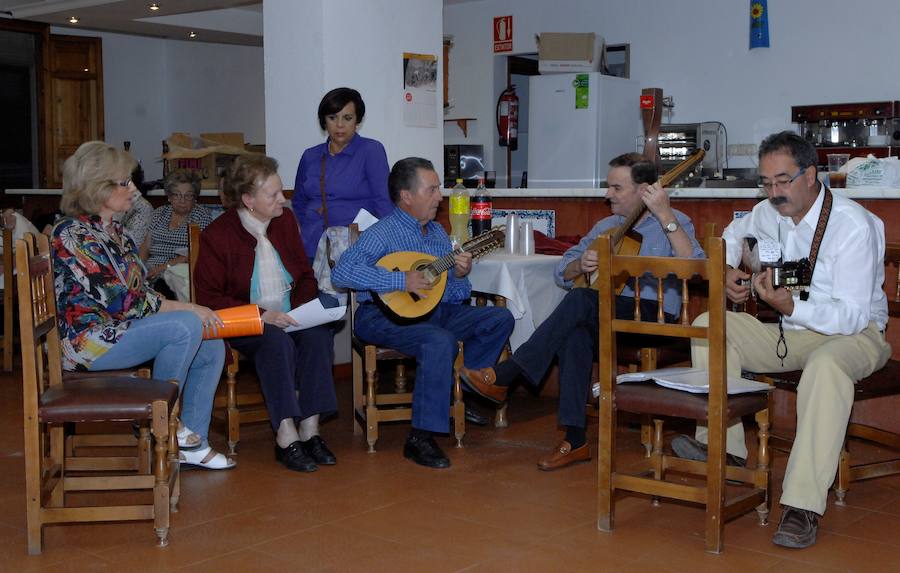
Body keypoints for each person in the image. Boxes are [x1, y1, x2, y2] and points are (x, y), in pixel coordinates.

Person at [671, 131, 891, 549]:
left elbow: (851, 315)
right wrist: (731, 271)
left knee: (827, 367)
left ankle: (802, 505)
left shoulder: (852, 225)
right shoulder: (767, 211)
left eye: (783, 181)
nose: (774, 193)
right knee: (708, 323)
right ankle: (725, 449)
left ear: (811, 175)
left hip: (856, 335)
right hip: (793, 332)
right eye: (767, 183)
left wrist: (791, 307)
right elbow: (731, 237)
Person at [459, 153, 705, 471]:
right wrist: (581, 263)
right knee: (574, 330)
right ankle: (575, 439)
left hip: (655, 317)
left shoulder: (675, 221)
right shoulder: (607, 226)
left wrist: (664, 213)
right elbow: (563, 271)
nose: (607, 195)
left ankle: (507, 374)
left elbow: (696, 266)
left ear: (644, 189)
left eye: (616, 188)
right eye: (608, 186)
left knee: (581, 302)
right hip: (610, 312)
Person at [51, 141, 233, 470]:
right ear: (99, 188)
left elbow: (141, 288)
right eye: (125, 182)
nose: (133, 189)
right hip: (87, 342)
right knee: (187, 324)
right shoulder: (73, 234)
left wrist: (184, 307)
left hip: (118, 330)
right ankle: (165, 424)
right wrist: (190, 308)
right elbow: (126, 303)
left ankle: (193, 445)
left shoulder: (113, 230)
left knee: (211, 342)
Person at [331, 157, 514, 469]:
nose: (439, 197)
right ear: (407, 196)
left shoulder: (439, 235)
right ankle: (420, 437)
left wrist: (457, 274)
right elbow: (342, 273)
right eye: (431, 190)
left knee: (500, 318)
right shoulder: (383, 233)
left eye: (437, 189)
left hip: (431, 314)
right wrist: (400, 279)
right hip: (379, 316)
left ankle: (461, 389)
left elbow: (455, 295)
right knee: (438, 341)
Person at [194, 154, 338, 473]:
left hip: (290, 315)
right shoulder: (218, 235)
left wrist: (303, 309)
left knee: (317, 335)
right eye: (272, 195)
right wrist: (261, 315)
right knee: (274, 341)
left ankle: (310, 430)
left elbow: (303, 273)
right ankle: (286, 435)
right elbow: (209, 298)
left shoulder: (284, 221)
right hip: (245, 322)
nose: (282, 200)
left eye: (280, 191)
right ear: (248, 199)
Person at [292, 87, 393, 259]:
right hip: (312, 244)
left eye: (347, 118)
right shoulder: (310, 156)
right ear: (324, 121)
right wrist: (308, 227)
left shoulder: (371, 150)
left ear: (357, 121)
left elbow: (384, 203)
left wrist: (387, 247)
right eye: (332, 118)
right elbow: (299, 201)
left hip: (355, 248)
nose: (340, 125)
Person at [139, 171, 214, 299]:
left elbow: (196, 253)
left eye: (188, 195)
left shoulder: (201, 216)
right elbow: (145, 247)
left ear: (195, 197)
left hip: (177, 274)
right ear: (169, 197)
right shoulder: (159, 213)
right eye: (177, 195)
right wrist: (138, 270)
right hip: (150, 272)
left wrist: (161, 268)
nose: (182, 200)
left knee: (160, 291)